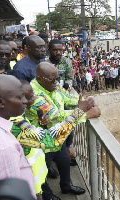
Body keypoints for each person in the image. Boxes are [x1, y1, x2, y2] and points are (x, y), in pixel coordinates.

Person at [26, 62, 100, 198]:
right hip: (43, 141)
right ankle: (47, 195)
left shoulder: (52, 83)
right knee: (43, 170)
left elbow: (67, 98)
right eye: (52, 80)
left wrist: (87, 102)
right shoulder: (32, 93)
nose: (56, 82)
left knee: (64, 161)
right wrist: (84, 112)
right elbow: (54, 116)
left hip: (58, 136)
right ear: (40, 79)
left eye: (57, 78)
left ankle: (66, 186)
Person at [10, 80, 94, 200]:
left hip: (33, 178)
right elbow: (51, 139)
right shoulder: (14, 124)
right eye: (27, 98)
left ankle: (65, 187)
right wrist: (79, 112)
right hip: (29, 185)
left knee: (63, 161)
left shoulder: (16, 115)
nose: (33, 100)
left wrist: (41, 123)